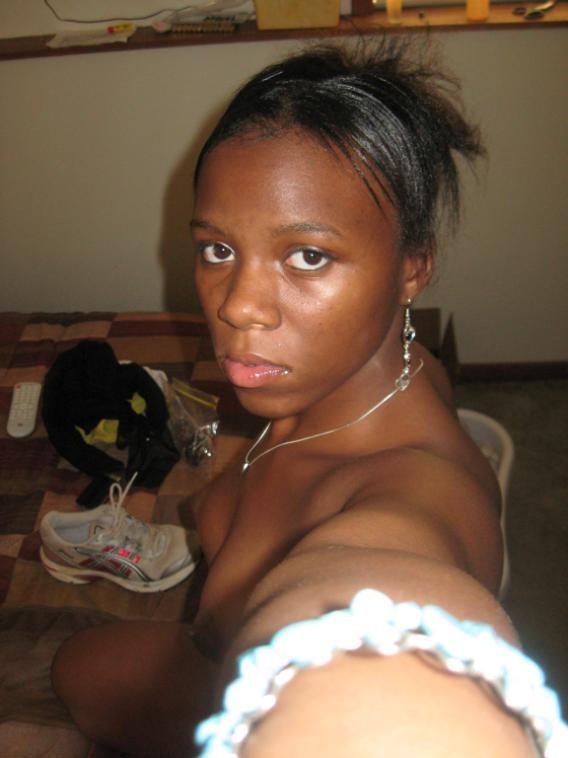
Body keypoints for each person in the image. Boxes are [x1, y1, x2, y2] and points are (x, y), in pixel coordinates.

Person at [51, 39, 559, 757]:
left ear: (413, 266)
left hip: (220, 678)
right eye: (218, 250)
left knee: (75, 666)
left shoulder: (409, 499)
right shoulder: (390, 367)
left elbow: (384, 641)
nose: (238, 306)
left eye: (309, 256)